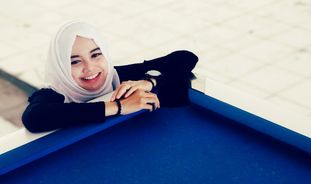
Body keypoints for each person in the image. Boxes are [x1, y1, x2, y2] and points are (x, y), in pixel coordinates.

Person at [22, 20, 198, 133]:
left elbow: (185, 58)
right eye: (74, 62)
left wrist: (149, 82)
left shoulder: (117, 76)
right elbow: (34, 118)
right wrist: (119, 106)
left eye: (96, 55)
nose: (89, 68)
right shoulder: (53, 93)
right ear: (60, 66)